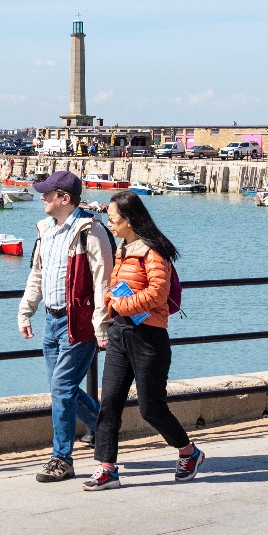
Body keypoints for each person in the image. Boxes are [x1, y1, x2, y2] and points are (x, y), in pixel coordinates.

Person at [84, 192, 204, 491]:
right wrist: (111, 304)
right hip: (119, 334)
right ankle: (107, 469)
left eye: (113, 220)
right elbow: (115, 287)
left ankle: (189, 452)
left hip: (149, 337)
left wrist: (120, 305)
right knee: (109, 403)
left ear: (129, 220)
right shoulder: (123, 250)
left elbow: (158, 295)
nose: (109, 225)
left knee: (151, 407)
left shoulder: (153, 252)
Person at [15, 172, 111, 483]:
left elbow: (103, 282)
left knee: (61, 388)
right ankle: (106, 427)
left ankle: (62, 458)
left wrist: (100, 325)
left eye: (47, 194)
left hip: (78, 322)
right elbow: (37, 276)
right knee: (63, 389)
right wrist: (25, 311)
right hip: (50, 320)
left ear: (64, 199)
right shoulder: (46, 231)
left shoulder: (91, 232)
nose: (42, 197)